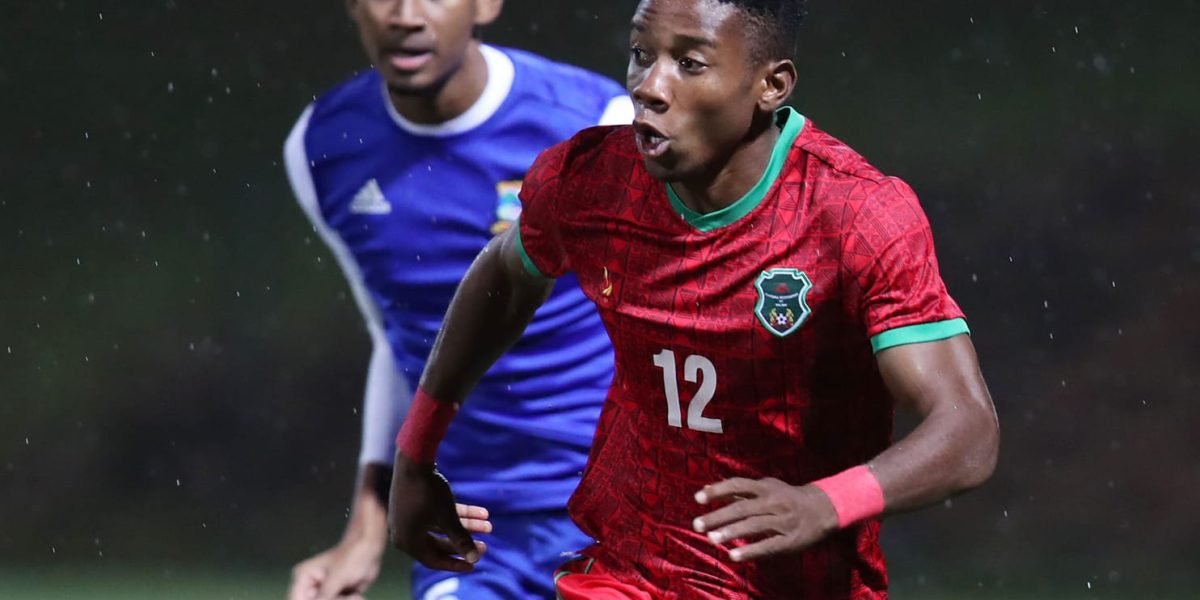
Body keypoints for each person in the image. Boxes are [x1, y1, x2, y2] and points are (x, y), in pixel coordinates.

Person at [385, 0, 1001, 598]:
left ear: (772, 85)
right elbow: (506, 275)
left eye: (690, 63)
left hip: (796, 584)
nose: (650, 86)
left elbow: (968, 432)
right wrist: (415, 453)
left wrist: (823, 502)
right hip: (629, 573)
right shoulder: (592, 182)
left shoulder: (854, 215)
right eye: (640, 54)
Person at [281, 0, 633, 598]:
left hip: (622, 512)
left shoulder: (598, 121)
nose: (405, 14)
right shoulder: (321, 148)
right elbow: (392, 338)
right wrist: (367, 525)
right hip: (470, 532)